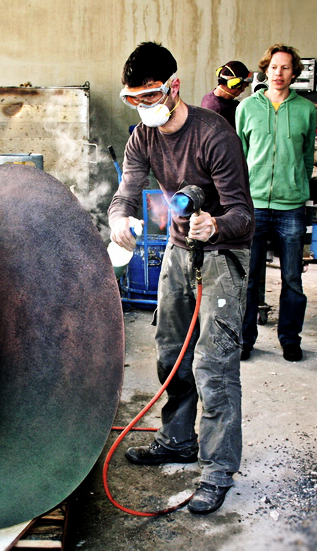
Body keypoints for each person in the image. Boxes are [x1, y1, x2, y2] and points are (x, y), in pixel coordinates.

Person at [109, 41, 254, 514]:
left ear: (174, 87)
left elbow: (243, 214)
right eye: (132, 99)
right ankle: (176, 440)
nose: (143, 106)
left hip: (224, 251)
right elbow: (126, 192)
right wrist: (119, 218)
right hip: (179, 248)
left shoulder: (215, 135)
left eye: (150, 95)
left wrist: (215, 225)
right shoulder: (142, 137)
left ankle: (217, 469)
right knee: (172, 352)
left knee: (214, 362)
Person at [234, 44, 316, 362]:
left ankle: (290, 339)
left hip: (291, 207)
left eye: (285, 67)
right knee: (248, 277)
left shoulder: (306, 110)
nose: (278, 73)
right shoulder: (247, 108)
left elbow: (307, 157)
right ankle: (245, 339)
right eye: (273, 67)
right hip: (254, 205)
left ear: (294, 73)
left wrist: (298, 186)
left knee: (292, 278)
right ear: (265, 71)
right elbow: (239, 157)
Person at [200, 60, 251, 129]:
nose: (243, 90)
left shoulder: (209, 97)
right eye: (244, 86)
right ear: (234, 84)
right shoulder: (220, 110)